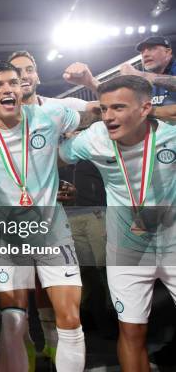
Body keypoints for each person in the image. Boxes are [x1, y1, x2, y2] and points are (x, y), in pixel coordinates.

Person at [0, 61, 101, 372]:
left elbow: (99, 110)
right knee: (14, 322)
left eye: (12, 82)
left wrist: (91, 81)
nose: (8, 89)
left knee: (70, 318)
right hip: (6, 240)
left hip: (53, 232)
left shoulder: (50, 115)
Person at [59, 75, 176, 372]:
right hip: (126, 252)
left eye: (119, 108)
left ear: (146, 108)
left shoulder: (171, 137)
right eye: (105, 109)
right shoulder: (93, 138)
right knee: (132, 331)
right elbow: (55, 153)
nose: (109, 117)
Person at [64, 36, 176, 106]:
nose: (145, 54)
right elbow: (116, 102)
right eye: (142, 52)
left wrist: (137, 74)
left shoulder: (142, 76)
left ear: (168, 52)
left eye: (152, 49)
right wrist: (90, 82)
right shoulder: (143, 83)